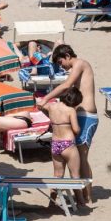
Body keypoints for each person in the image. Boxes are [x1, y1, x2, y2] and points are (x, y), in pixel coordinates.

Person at [37, 45, 98, 202]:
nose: (60, 65)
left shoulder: (80, 64)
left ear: (67, 55)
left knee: (82, 157)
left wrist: (45, 99)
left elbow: (66, 86)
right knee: (78, 157)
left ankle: (88, 196)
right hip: (80, 115)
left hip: (87, 115)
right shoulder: (74, 69)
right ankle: (83, 195)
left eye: (60, 61)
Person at [47, 88, 88, 206]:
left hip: (55, 144)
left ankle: (52, 203)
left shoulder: (51, 107)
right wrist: (79, 130)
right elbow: (75, 129)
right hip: (68, 144)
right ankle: (80, 202)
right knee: (75, 176)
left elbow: (41, 104)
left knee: (57, 175)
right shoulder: (70, 110)